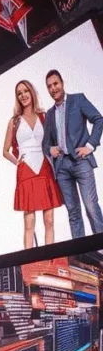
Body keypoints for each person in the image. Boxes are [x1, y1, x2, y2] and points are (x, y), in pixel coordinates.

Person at [41, 68, 103, 237]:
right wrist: (50, 149)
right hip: (62, 167)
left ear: (62, 83)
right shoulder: (50, 114)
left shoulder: (78, 100)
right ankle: (82, 256)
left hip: (82, 161)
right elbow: (46, 143)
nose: (53, 88)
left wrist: (90, 145)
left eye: (55, 84)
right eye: (49, 86)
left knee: (91, 206)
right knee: (73, 213)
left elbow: (98, 119)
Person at [4, 80, 62, 249]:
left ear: (31, 92)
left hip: (44, 167)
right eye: (19, 93)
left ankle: (49, 257)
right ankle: (30, 262)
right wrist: (17, 162)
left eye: (25, 91)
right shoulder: (14, 122)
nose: (23, 95)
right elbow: (5, 150)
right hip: (26, 170)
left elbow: (54, 140)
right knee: (29, 222)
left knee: (49, 219)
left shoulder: (44, 116)